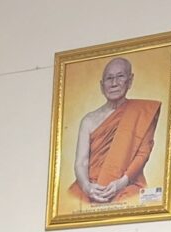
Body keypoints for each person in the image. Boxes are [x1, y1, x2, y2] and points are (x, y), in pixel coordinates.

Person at [69, 56, 161, 206]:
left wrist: (121, 183)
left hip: (126, 184)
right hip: (91, 186)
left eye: (120, 76)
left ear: (130, 81)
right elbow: (81, 162)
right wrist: (86, 187)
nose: (114, 83)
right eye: (109, 78)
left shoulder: (142, 112)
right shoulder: (89, 120)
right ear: (101, 85)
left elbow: (143, 154)